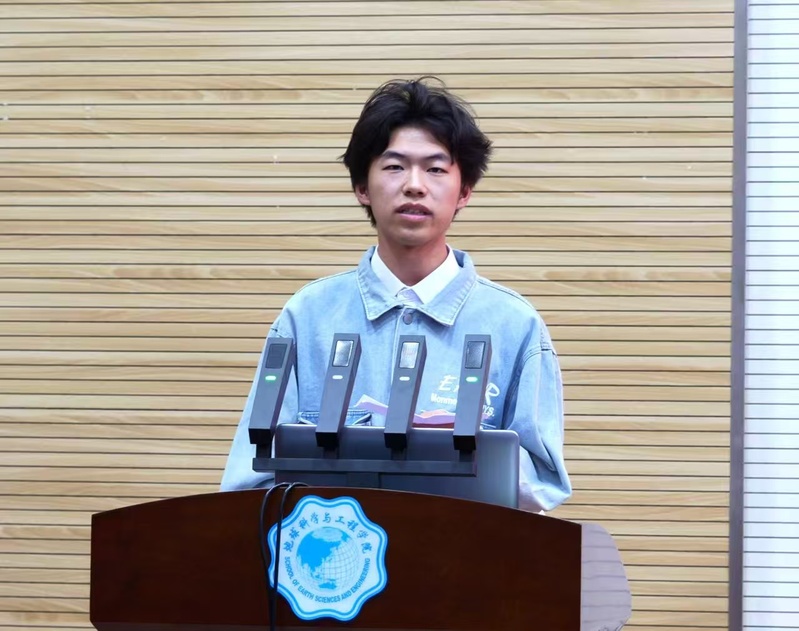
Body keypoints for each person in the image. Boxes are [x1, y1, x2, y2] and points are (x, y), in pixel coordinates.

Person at [220, 77, 571, 512]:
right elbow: (249, 482)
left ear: (464, 191)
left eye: (436, 169)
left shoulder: (514, 325)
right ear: (362, 187)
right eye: (394, 166)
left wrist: (457, 454)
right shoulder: (306, 317)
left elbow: (542, 484)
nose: (414, 185)